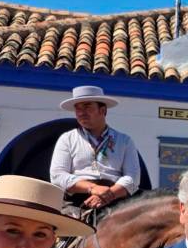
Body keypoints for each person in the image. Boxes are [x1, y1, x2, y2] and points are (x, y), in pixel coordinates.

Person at [49, 86, 140, 216]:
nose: (81, 113)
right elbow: (57, 175)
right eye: (78, 108)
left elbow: (133, 178)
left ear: (103, 110)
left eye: (87, 106)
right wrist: (93, 188)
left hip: (116, 200)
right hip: (77, 202)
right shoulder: (67, 139)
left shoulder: (124, 141)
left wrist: (108, 195)